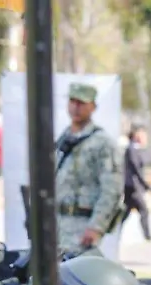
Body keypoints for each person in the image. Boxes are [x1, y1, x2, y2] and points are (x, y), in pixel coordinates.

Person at [55, 82, 122, 258]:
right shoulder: (63, 139)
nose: (76, 107)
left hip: (81, 227)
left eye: (81, 103)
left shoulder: (102, 143)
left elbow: (111, 189)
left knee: (74, 277)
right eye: (73, 101)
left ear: (93, 106)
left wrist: (96, 227)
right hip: (56, 226)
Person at [121, 125, 151, 241]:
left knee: (125, 212)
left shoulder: (136, 149)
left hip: (132, 186)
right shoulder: (132, 149)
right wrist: (146, 186)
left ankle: (115, 231)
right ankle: (147, 236)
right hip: (133, 187)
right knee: (143, 210)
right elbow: (136, 169)